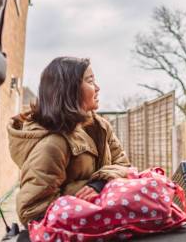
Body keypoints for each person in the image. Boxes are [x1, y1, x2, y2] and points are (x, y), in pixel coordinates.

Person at [8, 57, 130, 226]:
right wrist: (95, 195)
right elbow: (32, 212)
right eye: (90, 81)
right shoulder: (52, 145)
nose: (97, 87)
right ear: (70, 89)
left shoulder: (101, 127)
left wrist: (100, 184)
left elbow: (124, 165)